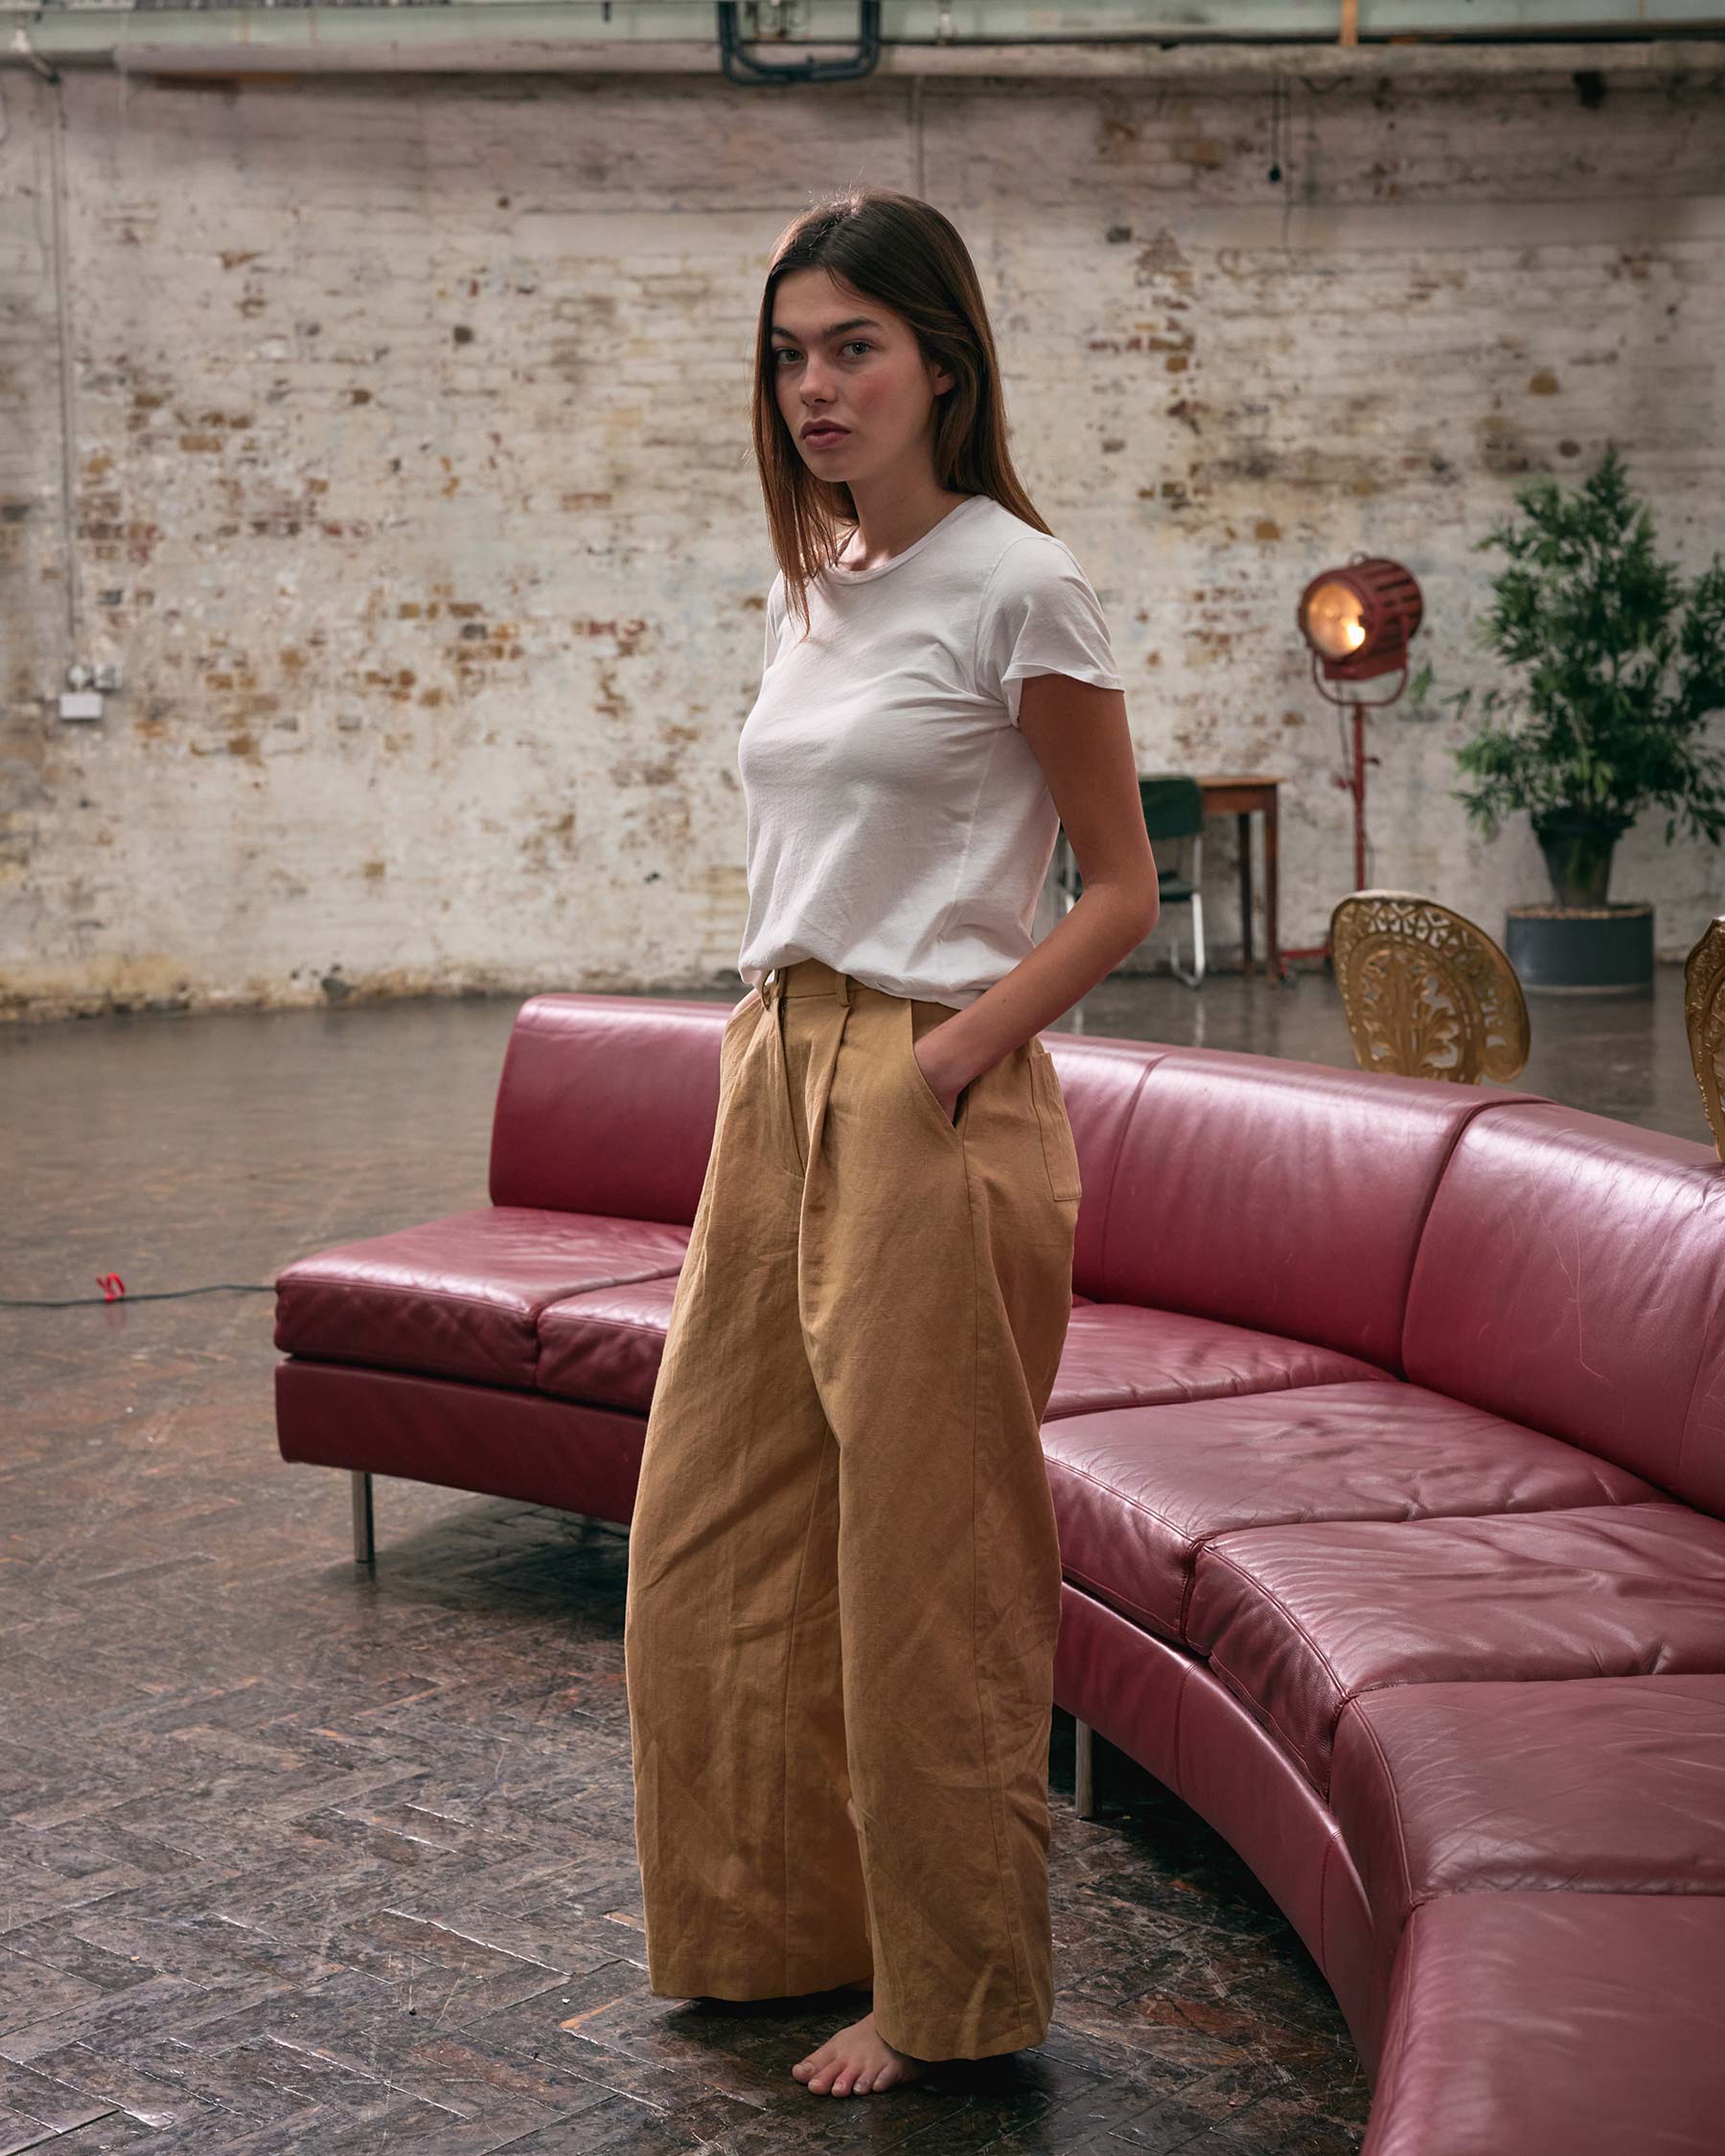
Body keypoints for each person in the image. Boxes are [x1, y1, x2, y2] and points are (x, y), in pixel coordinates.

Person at [622, 187, 1161, 2099]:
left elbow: (1120, 889)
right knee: (710, 1538)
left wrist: (948, 1064)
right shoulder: (818, 580)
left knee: (931, 1570)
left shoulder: (1022, 584)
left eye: (854, 346)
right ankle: (775, 1925)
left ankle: (952, 1993)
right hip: (773, 1069)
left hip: (931, 1083)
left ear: (944, 359)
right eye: (790, 354)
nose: (816, 386)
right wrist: (794, 1064)